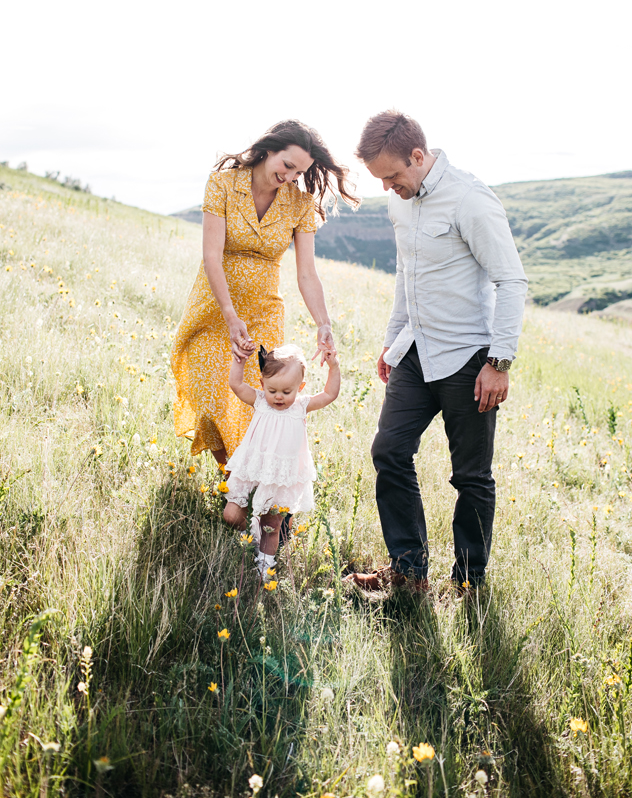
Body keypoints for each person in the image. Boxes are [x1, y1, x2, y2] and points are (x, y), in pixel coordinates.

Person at [349, 110, 527, 593]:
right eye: (379, 180)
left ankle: (468, 583)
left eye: (392, 176)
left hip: (470, 359)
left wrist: (499, 363)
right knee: (388, 450)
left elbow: (511, 282)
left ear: (418, 156)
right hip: (414, 352)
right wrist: (392, 338)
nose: (387, 187)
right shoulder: (400, 203)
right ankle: (409, 573)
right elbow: (407, 277)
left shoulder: (471, 199)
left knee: (471, 476)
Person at [171, 120, 356, 466]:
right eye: (287, 166)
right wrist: (229, 315)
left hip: (263, 313)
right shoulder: (223, 184)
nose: (289, 177)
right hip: (215, 309)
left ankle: (242, 487)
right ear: (269, 149)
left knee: (258, 404)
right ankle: (235, 475)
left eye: (298, 173)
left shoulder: (299, 205)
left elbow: (307, 273)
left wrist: (323, 323)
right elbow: (211, 256)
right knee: (210, 399)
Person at [223, 344, 341, 579]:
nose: (278, 397)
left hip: (282, 475)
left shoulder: (300, 407)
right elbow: (236, 385)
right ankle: (252, 528)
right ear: (262, 384)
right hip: (253, 466)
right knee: (232, 515)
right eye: (272, 390)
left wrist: (333, 366)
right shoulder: (259, 401)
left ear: (300, 388)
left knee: (272, 524)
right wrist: (239, 362)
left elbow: (329, 395)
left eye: (287, 392)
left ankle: (264, 566)